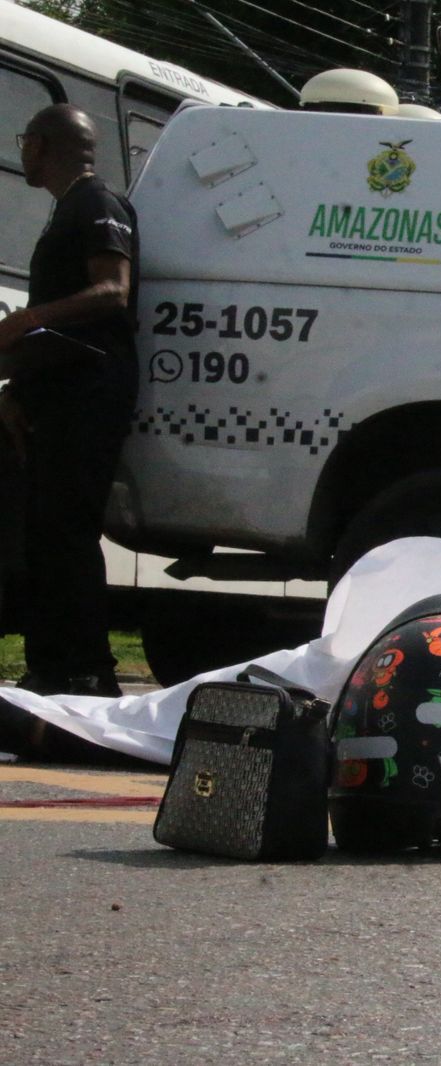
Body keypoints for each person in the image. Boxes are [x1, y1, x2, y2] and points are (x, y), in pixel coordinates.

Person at [0, 104, 140, 699]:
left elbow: (112, 290)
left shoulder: (97, 203)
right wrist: (16, 389)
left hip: (89, 394)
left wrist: (24, 319)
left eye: (24, 142)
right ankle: (49, 670)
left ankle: (86, 672)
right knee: (43, 534)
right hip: (52, 393)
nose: (22, 153)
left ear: (40, 144)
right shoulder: (66, 209)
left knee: (68, 532)